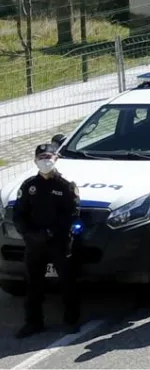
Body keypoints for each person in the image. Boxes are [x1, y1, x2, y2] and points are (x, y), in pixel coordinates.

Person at [12, 143, 80, 338]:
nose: (45, 161)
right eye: (41, 158)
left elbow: (72, 214)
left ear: (56, 159)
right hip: (35, 244)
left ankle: (71, 320)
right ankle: (33, 322)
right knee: (34, 284)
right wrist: (29, 233)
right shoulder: (29, 186)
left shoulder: (66, 186)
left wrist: (51, 232)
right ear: (35, 161)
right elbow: (19, 214)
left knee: (67, 282)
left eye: (49, 157)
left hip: (58, 242)